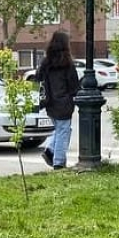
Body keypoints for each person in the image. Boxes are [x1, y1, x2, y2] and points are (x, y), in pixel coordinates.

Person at [36, 30, 80, 170]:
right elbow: (74, 86)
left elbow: (38, 79)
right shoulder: (67, 63)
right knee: (63, 131)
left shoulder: (46, 62)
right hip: (64, 103)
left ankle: (50, 150)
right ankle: (58, 162)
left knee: (62, 129)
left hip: (49, 103)